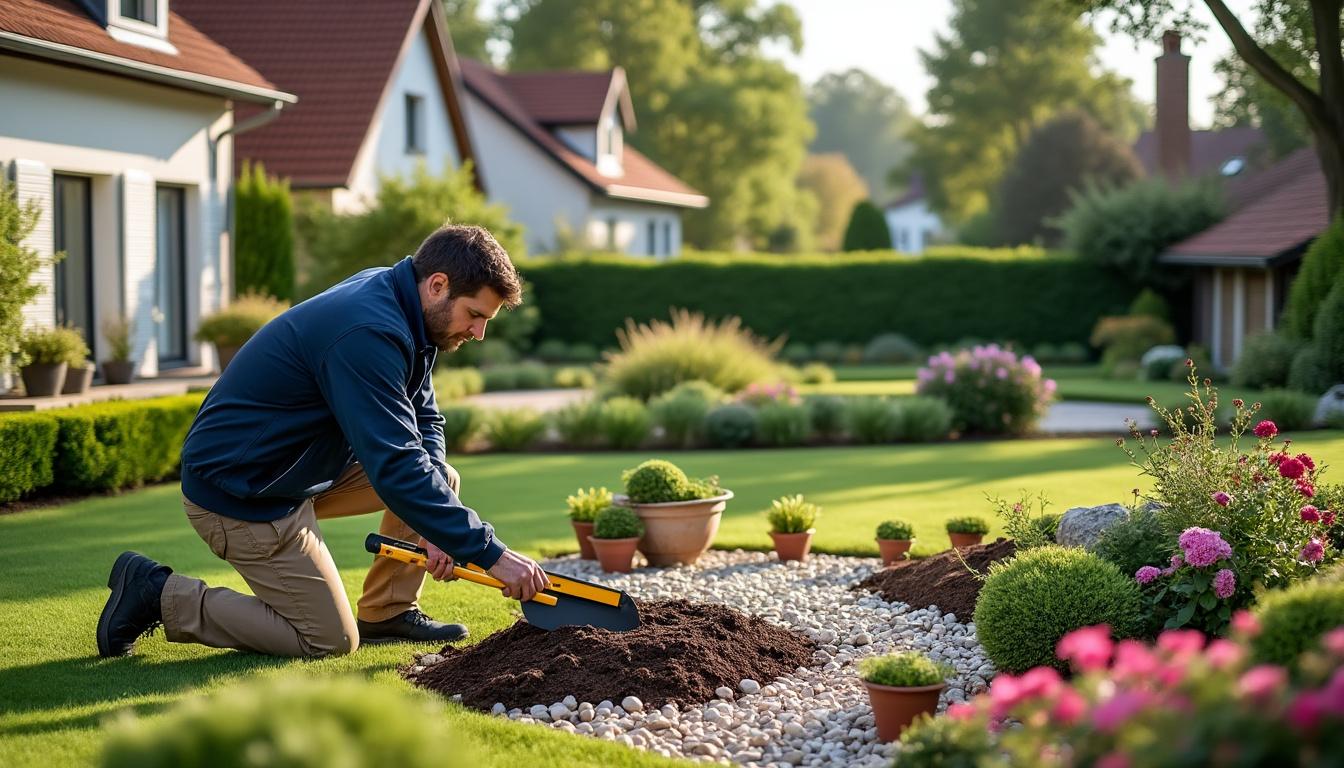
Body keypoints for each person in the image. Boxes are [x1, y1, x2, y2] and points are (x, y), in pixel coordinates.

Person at [96, 224, 548, 658]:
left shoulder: (404, 305)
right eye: (474, 315)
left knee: (438, 477)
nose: (478, 332)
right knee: (326, 638)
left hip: (296, 473)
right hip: (243, 492)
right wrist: (492, 554)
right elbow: (395, 464)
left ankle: (387, 613)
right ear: (437, 284)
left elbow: (423, 417)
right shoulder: (367, 331)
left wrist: (437, 530)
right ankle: (157, 593)